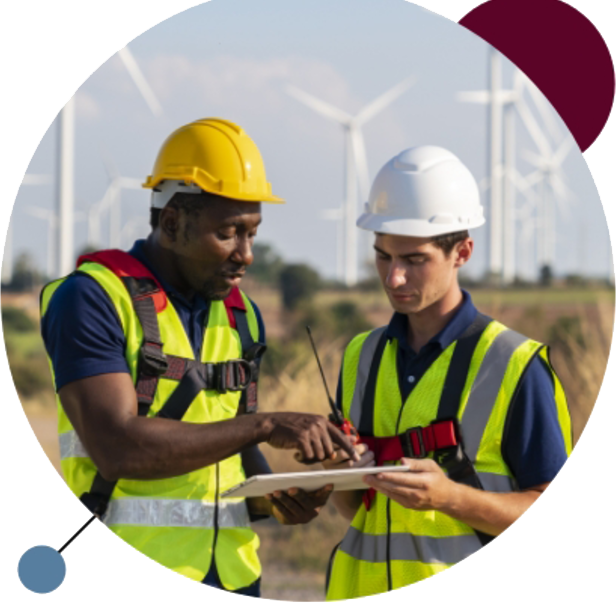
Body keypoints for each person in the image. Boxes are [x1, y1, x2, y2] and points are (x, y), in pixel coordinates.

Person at [41, 118, 356, 597]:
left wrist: (271, 497)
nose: (246, 254)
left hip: (234, 578)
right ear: (172, 223)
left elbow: (231, 440)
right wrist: (267, 426)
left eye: (252, 233)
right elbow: (116, 446)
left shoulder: (241, 316)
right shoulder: (92, 299)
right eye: (229, 233)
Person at [324, 146, 572, 599]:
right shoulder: (362, 356)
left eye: (414, 260)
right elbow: (354, 508)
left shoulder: (515, 365)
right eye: (383, 256)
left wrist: (450, 498)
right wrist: (337, 472)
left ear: (462, 252)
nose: (393, 278)